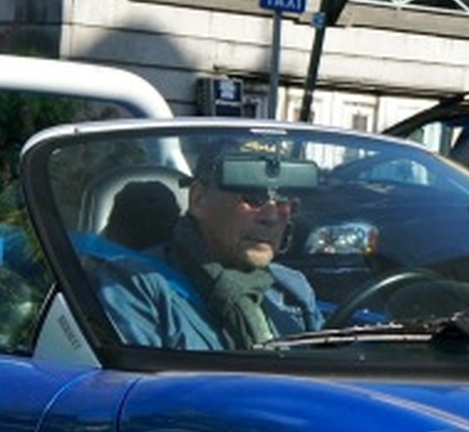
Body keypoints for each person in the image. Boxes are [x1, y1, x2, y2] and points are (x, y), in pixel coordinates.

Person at [91, 140, 326, 349]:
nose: (272, 216)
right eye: (254, 196)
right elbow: (139, 390)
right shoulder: (132, 286)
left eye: (285, 200)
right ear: (199, 200)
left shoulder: (294, 289)